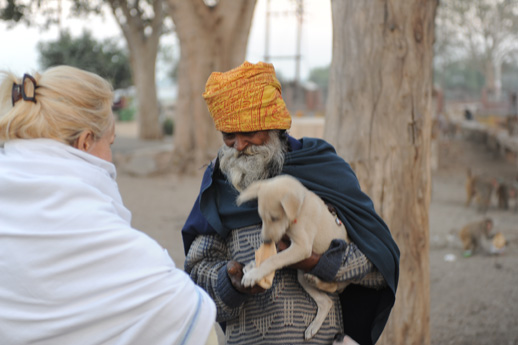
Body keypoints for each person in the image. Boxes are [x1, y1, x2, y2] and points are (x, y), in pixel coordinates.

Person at [182, 61, 400, 345]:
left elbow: (378, 268)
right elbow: (196, 277)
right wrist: (229, 281)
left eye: (248, 133)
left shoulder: (323, 170)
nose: (238, 146)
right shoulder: (221, 185)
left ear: (274, 124)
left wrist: (318, 262)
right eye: (229, 136)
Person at [0, 66, 217, 345]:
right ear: (85, 142)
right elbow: (182, 311)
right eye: (110, 143)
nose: (110, 157)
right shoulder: (119, 254)